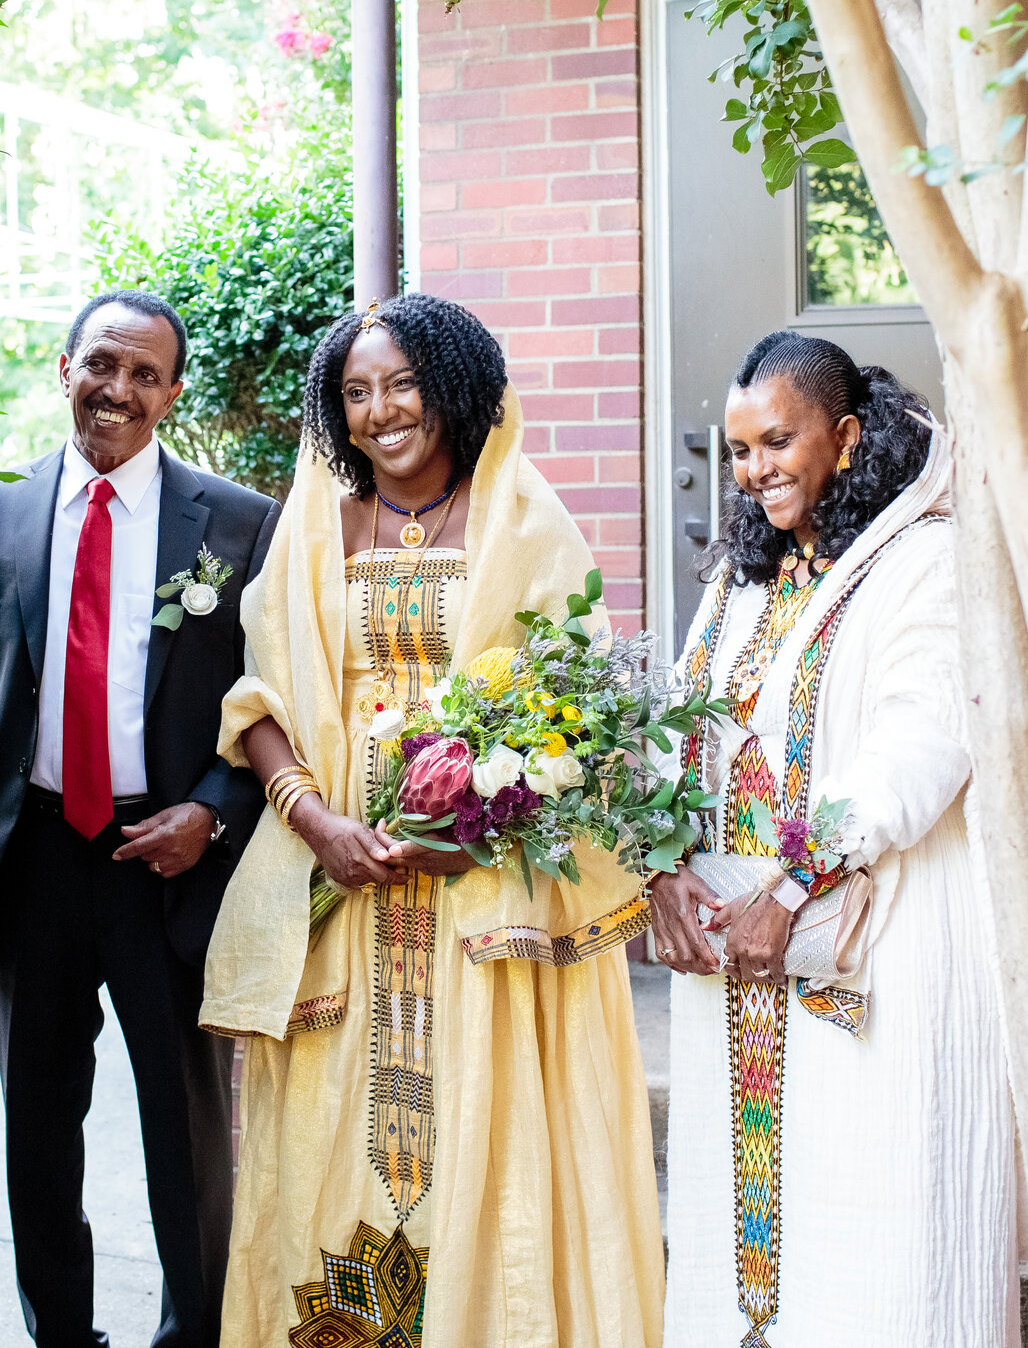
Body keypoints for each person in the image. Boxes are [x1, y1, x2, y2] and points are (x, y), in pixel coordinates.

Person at [199, 293, 663, 1348]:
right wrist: (314, 818)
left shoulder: (522, 517)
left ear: (450, 388)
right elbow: (258, 701)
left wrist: (476, 811)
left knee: (477, 1122)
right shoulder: (317, 522)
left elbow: (572, 702)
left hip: (478, 891)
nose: (380, 411)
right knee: (331, 1126)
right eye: (355, 392)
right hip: (341, 896)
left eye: (402, 383)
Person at [0, 288, 281, 1348]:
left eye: (142, 373)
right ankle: (63, 1337)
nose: (116, 389)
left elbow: (274, 704)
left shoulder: (236, 523)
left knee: (186, 1131)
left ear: (172, 392)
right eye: (100, 365)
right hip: (31, 859)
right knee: (36, 1130)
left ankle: (192, 1335)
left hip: (164, 866)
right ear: (64, 366)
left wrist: (210, 818)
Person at [650, 330, 1017, 1348]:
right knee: (744, 1231)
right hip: (739, 957)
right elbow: (681, 724)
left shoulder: (925, 559)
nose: (755, 467)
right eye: (738, 449)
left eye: (779, 439)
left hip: (875, 947)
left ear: (845, 437)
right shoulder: (742, 576)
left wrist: (798, 881)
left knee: (878, 1223)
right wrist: (662, 866)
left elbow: (925, 739)